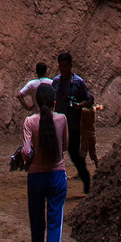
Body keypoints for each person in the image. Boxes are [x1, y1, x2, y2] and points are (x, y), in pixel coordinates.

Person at [21, 81, 68, 242]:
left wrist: (27, 158)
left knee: (37, 222)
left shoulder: (30, 122)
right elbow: (64, 146)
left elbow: (25, 152)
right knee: (55, 223)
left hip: (36, 178)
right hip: (57, 175)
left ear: (38, 102)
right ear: (54, 101)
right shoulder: (62, 119)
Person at [51, 51, 94, 194]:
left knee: (74, 154)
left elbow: (89, 101)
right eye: (60, 66)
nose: (62, 69)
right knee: (56, 153)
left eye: (65, 66)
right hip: (58, 124)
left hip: (73, 124)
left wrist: (79, 106)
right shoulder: (56, 82)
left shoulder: (78, 82)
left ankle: (85, 177)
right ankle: (56, 185)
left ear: (70, 65)